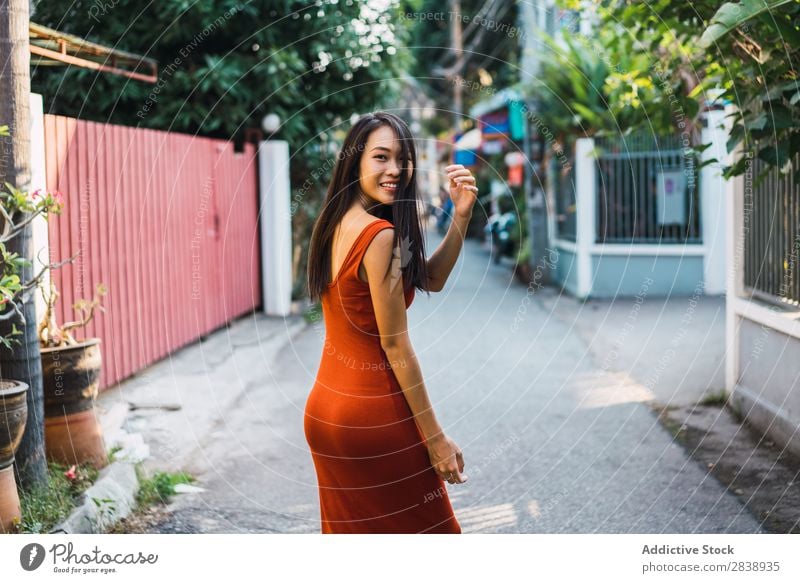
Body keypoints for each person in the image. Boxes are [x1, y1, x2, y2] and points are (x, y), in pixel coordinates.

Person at [304, 111, 478, 534]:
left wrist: (461, 216)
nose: (395, 170)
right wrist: (435, 439)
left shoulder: (332, 223)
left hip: (326, 415)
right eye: (381, 157)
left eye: (402, 159)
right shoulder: (378, 236)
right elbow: (396, 346)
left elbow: (429, 277)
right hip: (372, 418)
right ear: (355, 160)